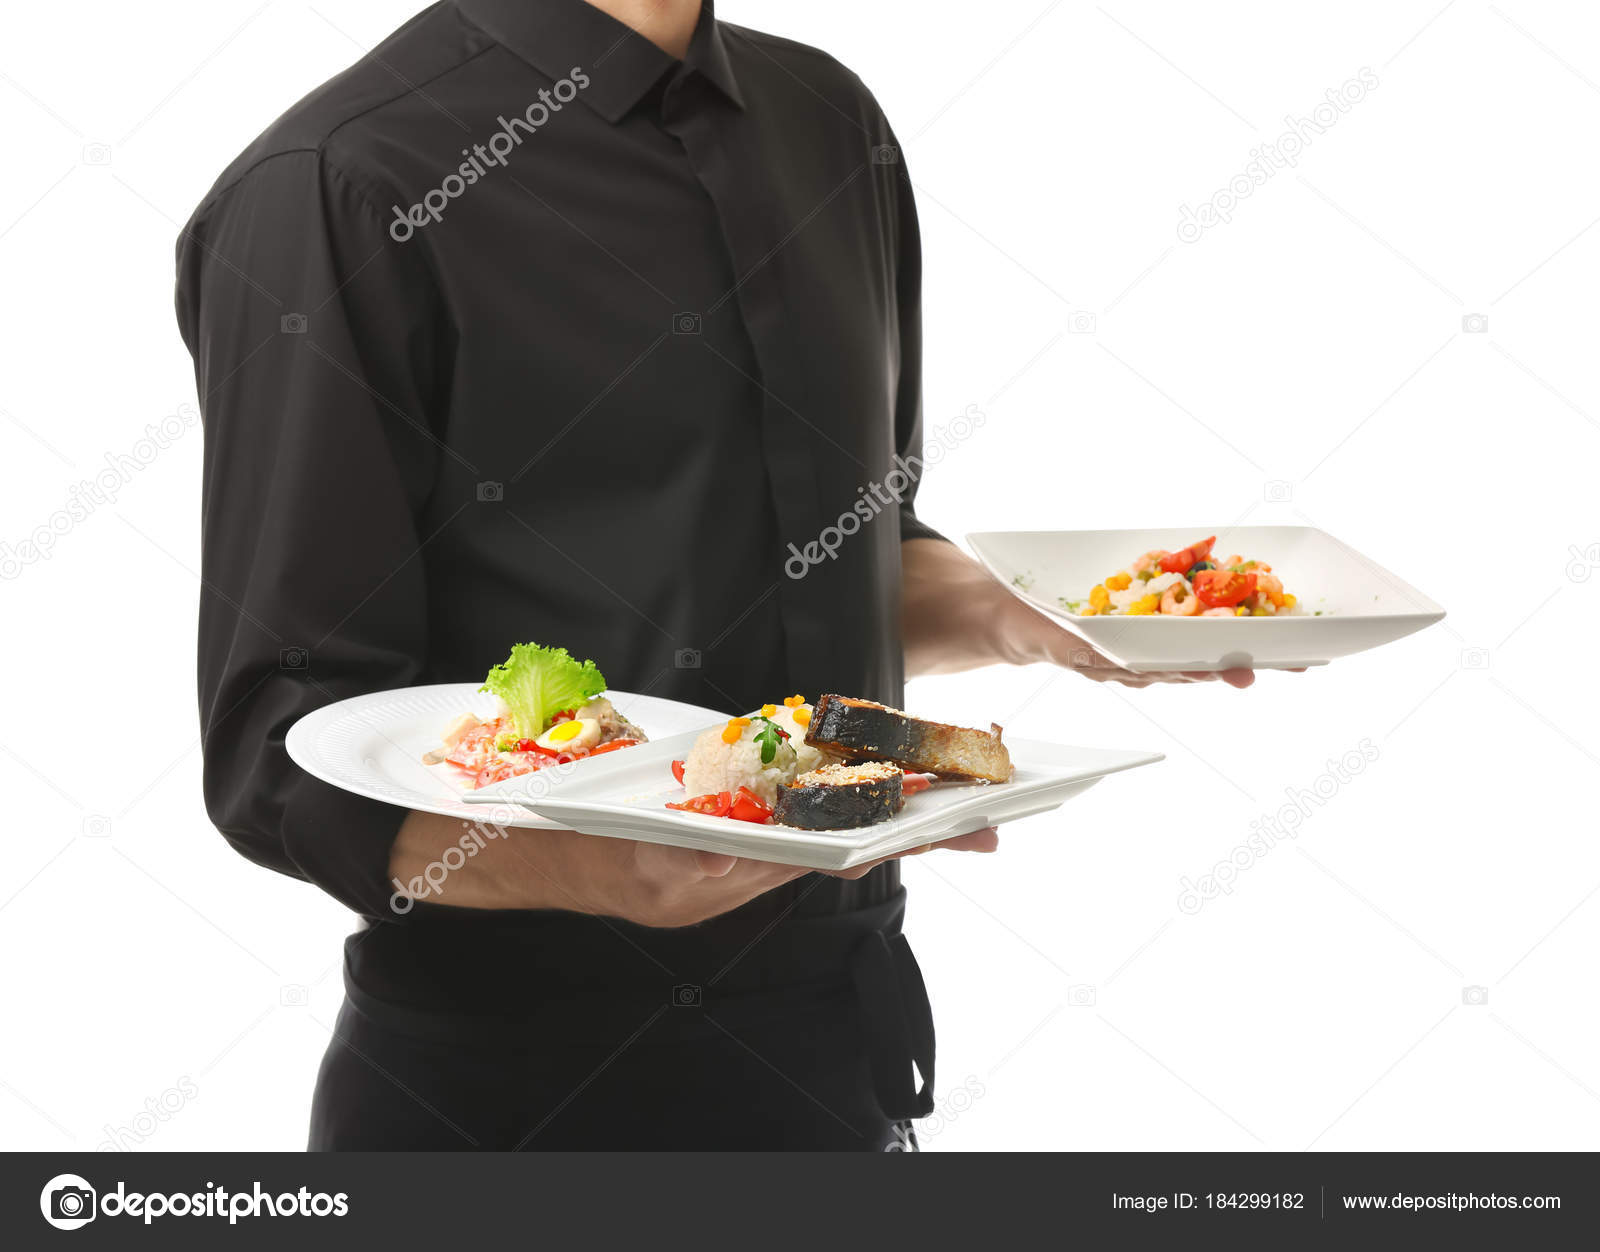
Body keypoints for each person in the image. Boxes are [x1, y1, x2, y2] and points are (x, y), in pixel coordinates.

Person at [175, 0, 1253, 1151]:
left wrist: (1028, 619)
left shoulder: (829, 120)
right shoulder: (340, 183)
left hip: (839, 1059)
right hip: (516, 1096)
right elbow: (272, 752)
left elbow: (842, 563)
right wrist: (605, 874)